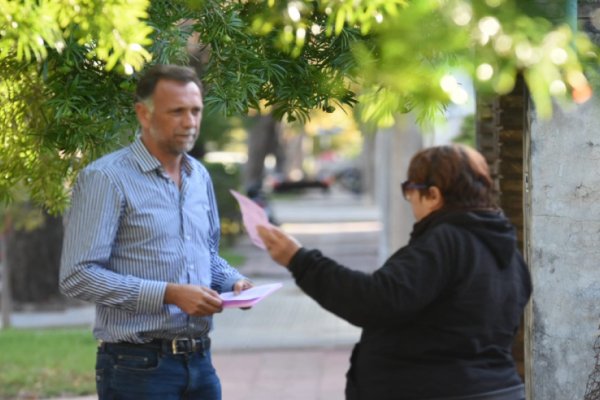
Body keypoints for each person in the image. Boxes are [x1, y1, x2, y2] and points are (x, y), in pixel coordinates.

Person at [258, 144, 532, 400]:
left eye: (410, 188)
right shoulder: (505, 250)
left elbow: (374, 300)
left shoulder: (445, 242)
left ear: (433, 195)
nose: (409, 197)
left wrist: (300, 260)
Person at [59, 64, 252, 400]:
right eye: (176, 112)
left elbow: (204, 254)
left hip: (201, 361)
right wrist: (169, 293)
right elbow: (77, 275)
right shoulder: (106, 179)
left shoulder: (199, 177)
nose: (190, 122)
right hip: (137, 367)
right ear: (143, 114)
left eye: (195, 111)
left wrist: (233, 282)